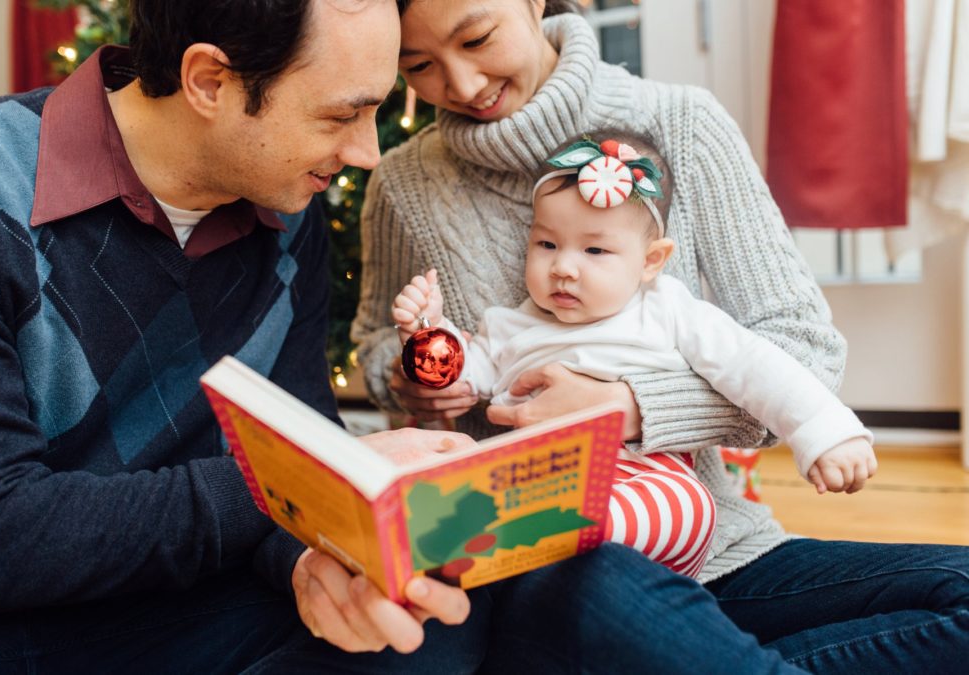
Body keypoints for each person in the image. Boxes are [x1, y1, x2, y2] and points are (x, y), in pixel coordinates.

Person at [352, 0, 969, 670]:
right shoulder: (404, 184)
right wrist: (421, 377)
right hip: (531, 563)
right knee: (601, 576)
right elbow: (383, 345)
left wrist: (629, 407)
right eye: (419, 66)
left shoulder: (683, 125)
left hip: (712, 547)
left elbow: (801, 350)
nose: (463, 85)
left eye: (478, 38)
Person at [0, 1, 490, 671]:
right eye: (340, 115)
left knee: (432, 623)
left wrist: (311, 564)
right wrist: (308, 478)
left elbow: (287, 445)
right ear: (208, 80)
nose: (367, 153)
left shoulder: (292, 215)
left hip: (192, 602)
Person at [392, 133, 876, 579]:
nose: (562, 267)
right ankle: (478, 539)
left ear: (650, 261)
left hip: (639, 476)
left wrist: (825, 432)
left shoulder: (669, 310)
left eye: (595, 250)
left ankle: (542, 537)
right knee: (450, 463)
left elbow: (753, 366)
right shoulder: (509, 324)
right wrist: (428, 331)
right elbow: (459, 378)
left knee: (689, 504)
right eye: (546, 244)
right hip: (530, 480)